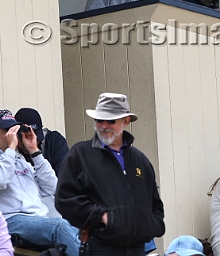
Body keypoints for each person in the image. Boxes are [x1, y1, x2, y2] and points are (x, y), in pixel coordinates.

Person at [55, 93, 165, 256]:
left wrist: (151, 225)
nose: (104, 125)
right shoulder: (80, 154)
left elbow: (155, 205)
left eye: (111, 121)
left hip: (138, 250)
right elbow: (64, 199)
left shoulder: (140, 160)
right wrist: (102, 217)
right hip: (100, 247)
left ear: (125, 121)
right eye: (99, 120)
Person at [0, 110, 79, 254]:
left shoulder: (20, 160)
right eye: (7, 130)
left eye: (14, 129)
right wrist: (10, 149)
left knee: (84, 226)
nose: (13, 134)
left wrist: (34, 151)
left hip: (37, 219)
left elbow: (52, 187)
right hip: (8, 219)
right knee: (60, 227)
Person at [14, 108, 69, 176]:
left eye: (36, 138)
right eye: (27, 138)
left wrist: (35, 153)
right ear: (16, 134)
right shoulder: (10, 150)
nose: (33, 142)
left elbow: (63, 177)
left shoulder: (54, 140)